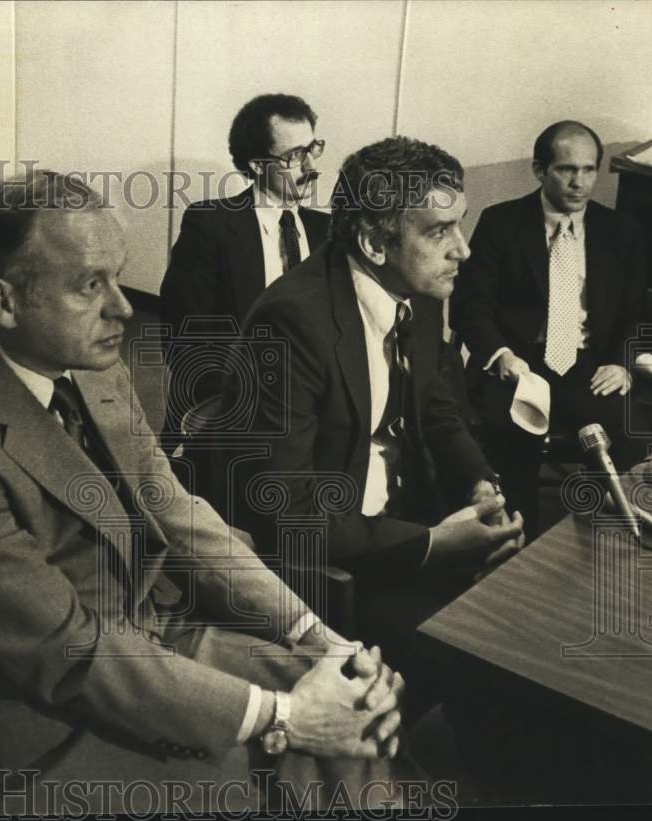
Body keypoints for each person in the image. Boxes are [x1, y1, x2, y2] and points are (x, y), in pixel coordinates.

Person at [0, 170, 426, 815]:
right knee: (284, 758)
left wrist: (322, 641)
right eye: (90, 285)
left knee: (356, 707)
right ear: (3, 301)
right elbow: (67, 655)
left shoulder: (86, 363)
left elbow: (179, 514)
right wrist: (287, 715)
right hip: (42, 729)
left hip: (153, 640)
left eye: (117, 276)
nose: (124, 307)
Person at [217, 136, 525, 673]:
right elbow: (285, 510)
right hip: (335, 568)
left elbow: (437, 408)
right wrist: (433, 543)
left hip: (409, 522)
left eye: (460, 224)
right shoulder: (291, 322)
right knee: (491, 653)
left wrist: (481, 486)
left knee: (526, 615)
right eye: (438, 231)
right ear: (374, 243)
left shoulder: (419, 289)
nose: (463, 249)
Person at [450, 121, 647, 537]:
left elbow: (636, 313)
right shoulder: (501, 223)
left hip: (588, 366)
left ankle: (603, 542)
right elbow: (471, 306)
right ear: (540, 169)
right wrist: (501, 355)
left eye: (589, 170)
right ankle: (519, 544)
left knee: (632, 430)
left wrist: (620, 364)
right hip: (519, 365)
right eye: (566, 169)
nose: (579, 182)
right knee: (512, 436)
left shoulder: (620, 233)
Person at [159, 93, 329, 441]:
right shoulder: (211, 224)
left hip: (312, 415)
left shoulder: (327, 232)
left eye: (312, 149)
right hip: (230, 411)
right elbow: (184, 336)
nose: (311, 168)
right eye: (295, 156)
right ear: (257, 165)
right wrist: (240, 405)